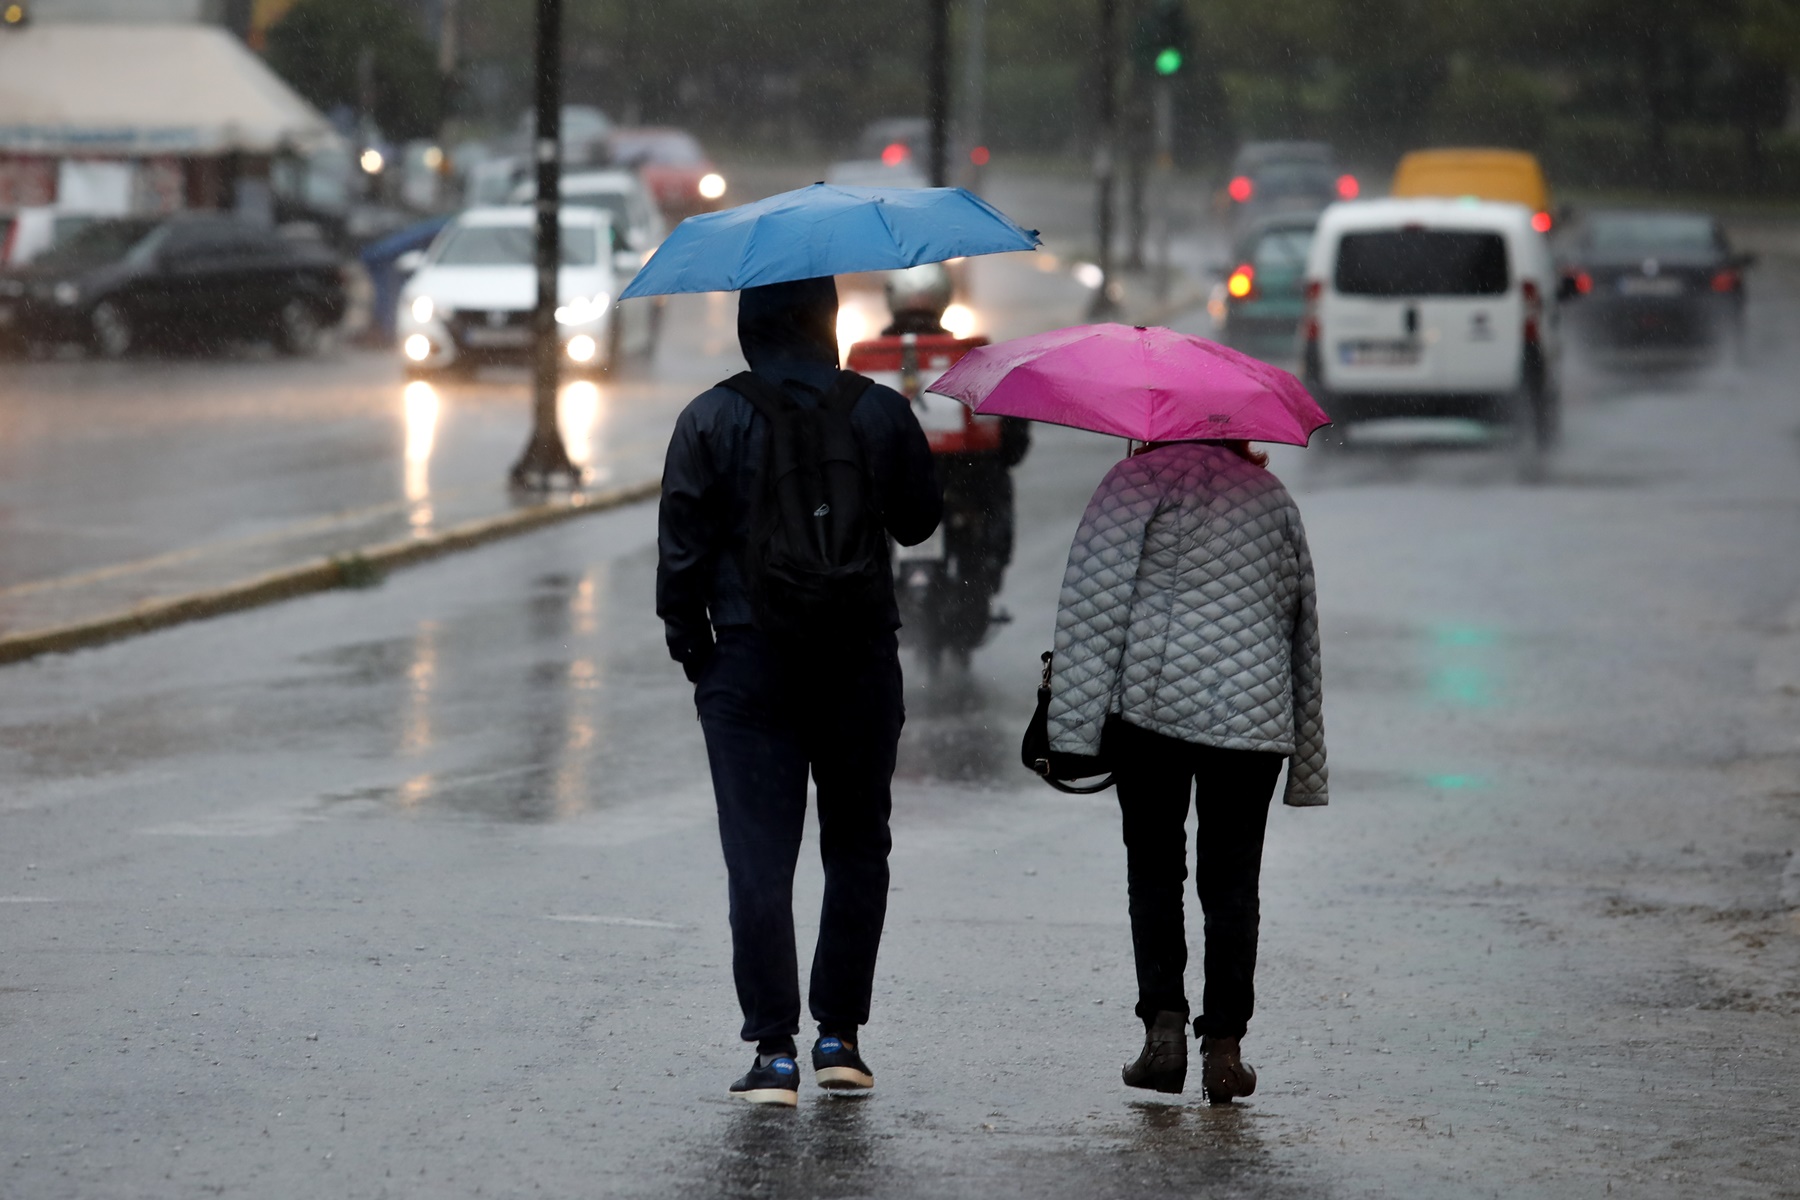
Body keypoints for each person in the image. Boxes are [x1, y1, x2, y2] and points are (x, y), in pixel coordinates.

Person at [656, 275, 942, 1107]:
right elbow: (919, 522)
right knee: (857, 846)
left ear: (750, 322)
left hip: (748, 662)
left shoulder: (709, 417)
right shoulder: (879, 410)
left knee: (759, 857)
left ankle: (773, 1048)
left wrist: (696, 650)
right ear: (828, 320)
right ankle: (840, 1036)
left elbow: (680, 554)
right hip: (856, 661)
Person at [1045, 438, 1327, 1103]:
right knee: (1232, 880)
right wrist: (1306, 750)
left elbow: (1091, 611)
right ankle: (1225, 1048)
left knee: (1154, 868)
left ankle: (1163, 1036)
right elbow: (1301, 625)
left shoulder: (1132, 483)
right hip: (1252, 721)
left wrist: (1073, 732)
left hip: (1151, 713)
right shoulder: (1272, 498)